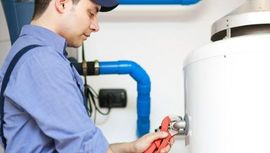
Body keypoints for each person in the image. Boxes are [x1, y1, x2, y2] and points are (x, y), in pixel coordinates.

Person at [0, 0, 174, 152]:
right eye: (91, 13)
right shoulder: (42, 62)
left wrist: (131, 149)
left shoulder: (35, 55)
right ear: (62, 3)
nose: (96, 26)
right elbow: (84, 148)